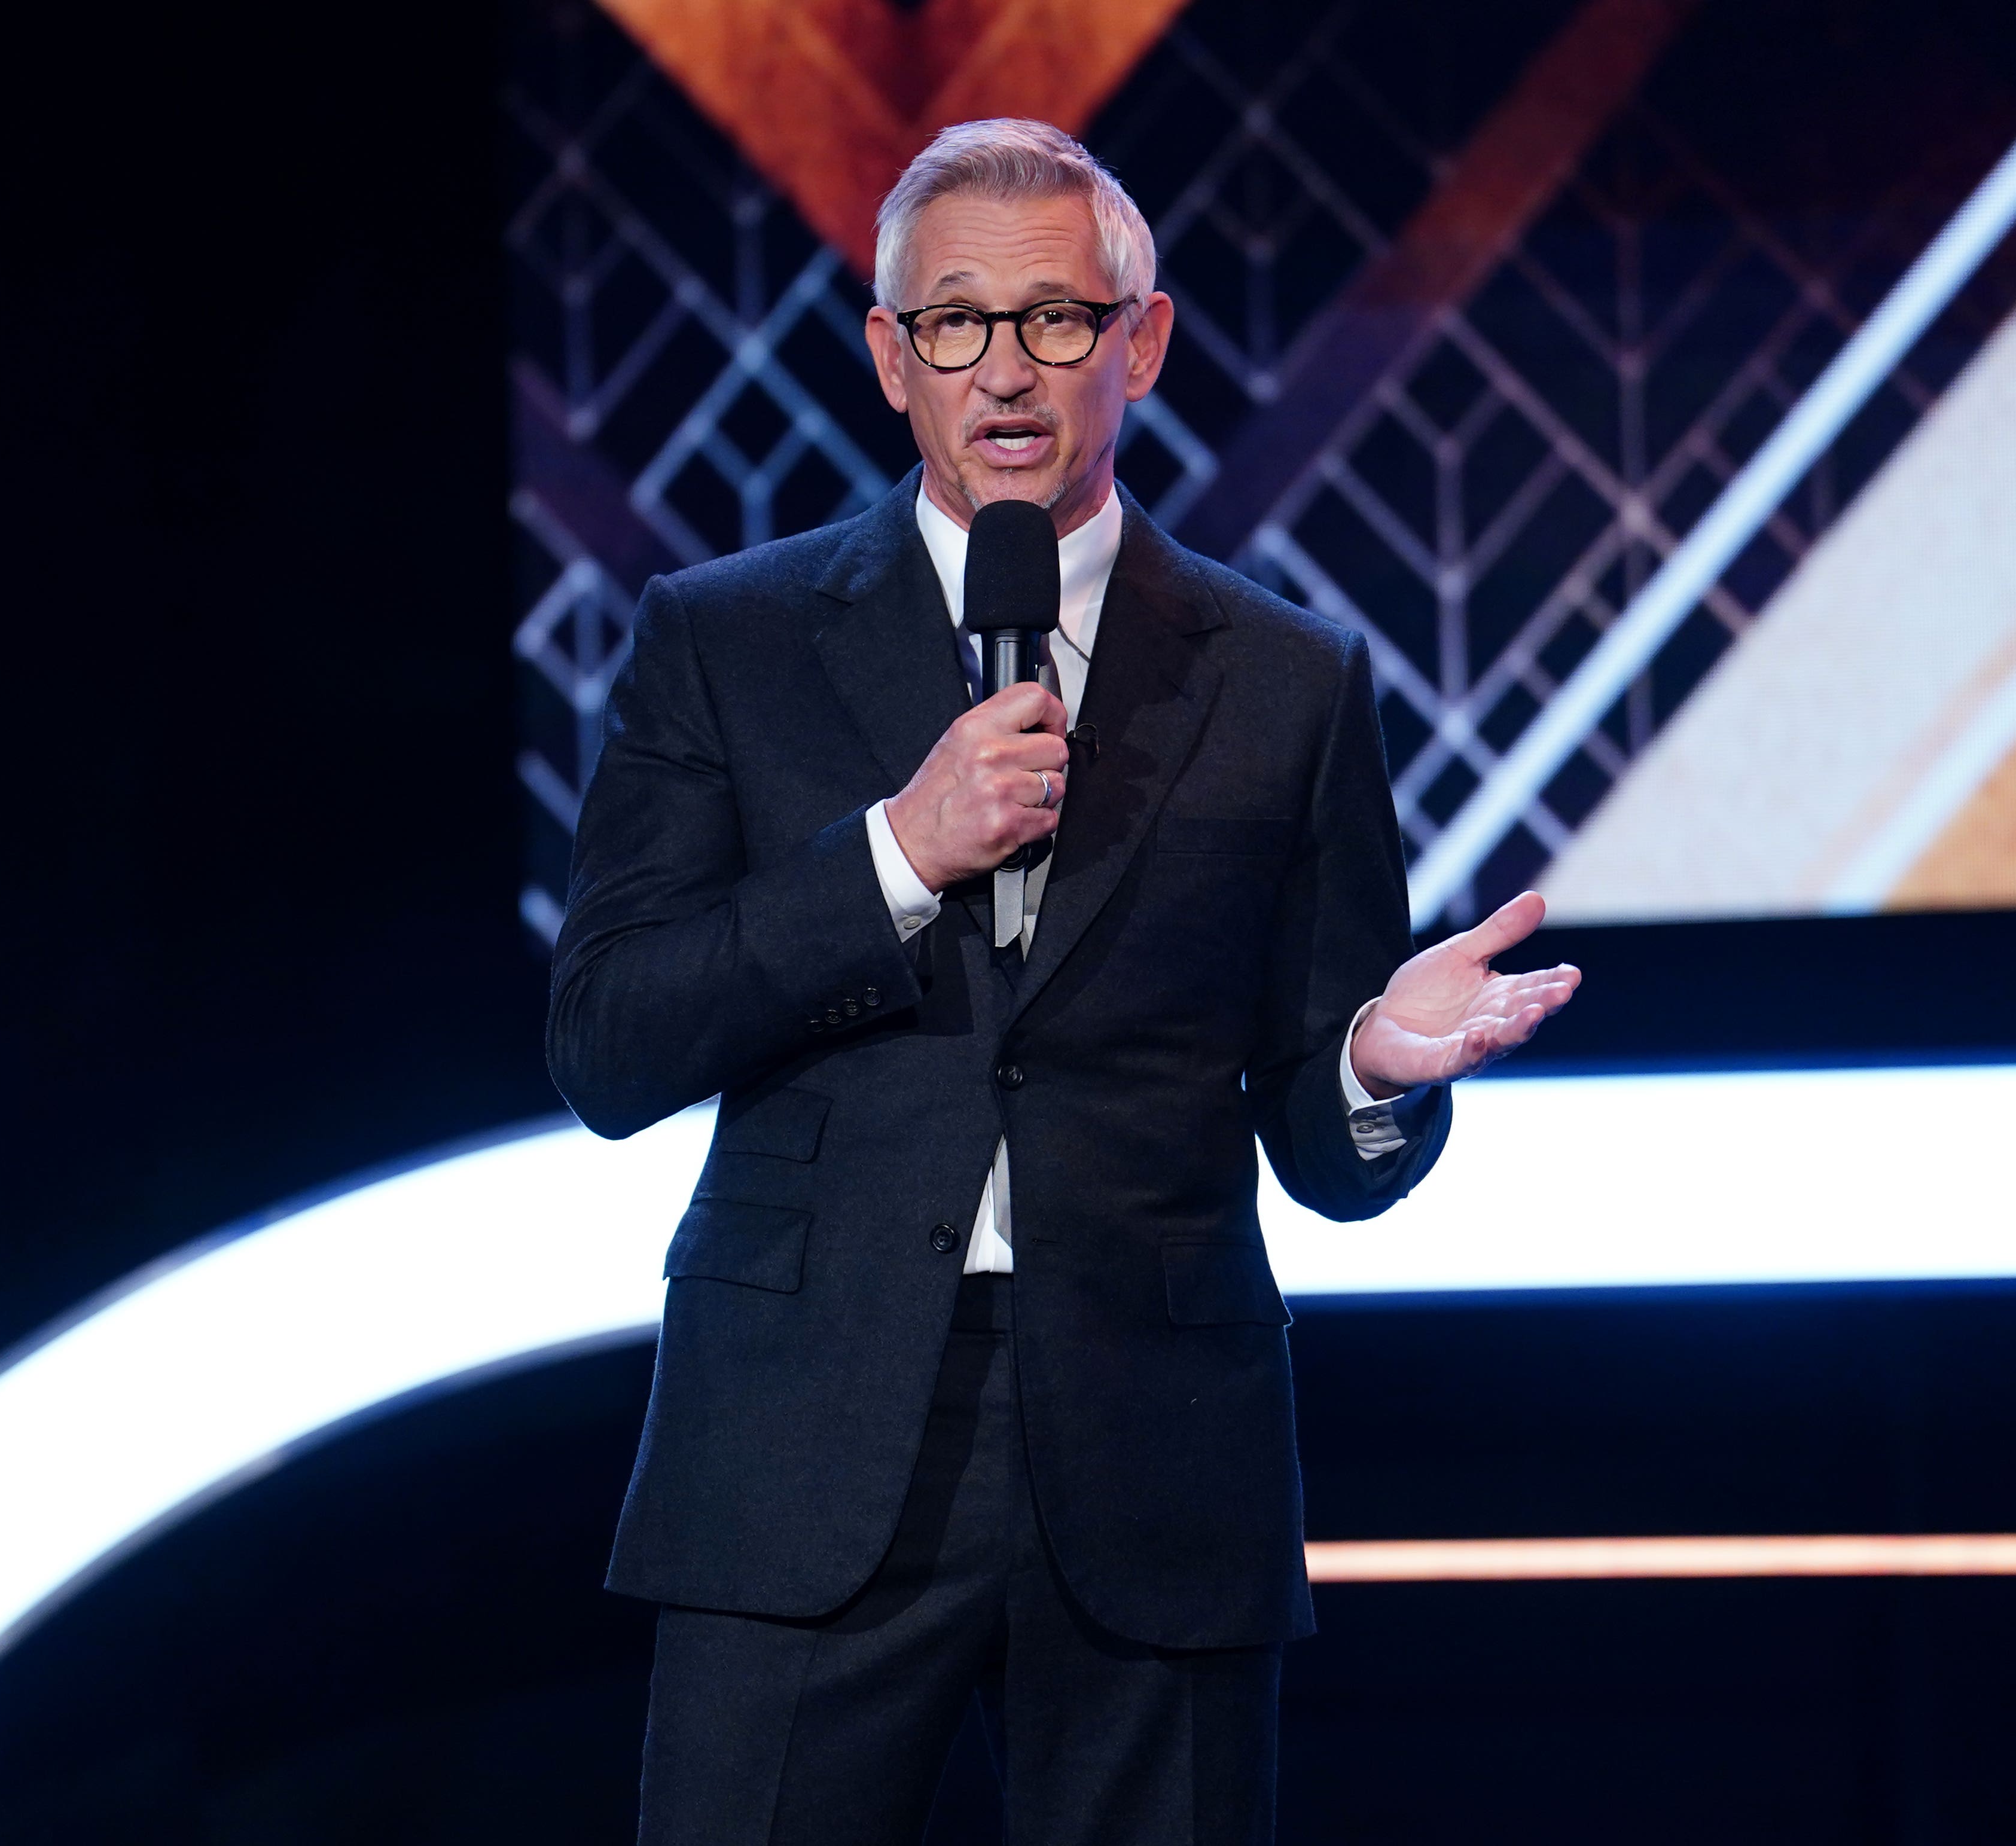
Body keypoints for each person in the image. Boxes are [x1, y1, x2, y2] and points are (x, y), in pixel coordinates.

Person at [549, 117, 1581, 1846]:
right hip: (803, 1445)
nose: (1006, 368)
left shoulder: (1286, 680)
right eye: (956, 322)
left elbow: (1320, 1152)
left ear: (1144, 344)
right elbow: (610, 1040)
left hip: (1154, 1459)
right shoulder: (722, 641)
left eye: (1058, 320)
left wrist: (1375, 1070)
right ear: (890, 359)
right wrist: (892, 852)